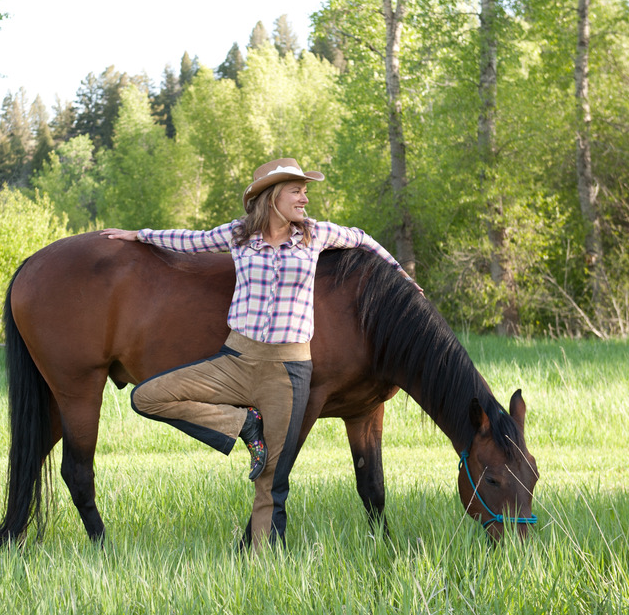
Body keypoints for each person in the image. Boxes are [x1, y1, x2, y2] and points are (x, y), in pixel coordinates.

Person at [102, 157, 420, 548]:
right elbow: (188, 240)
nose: (305, 198)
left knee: (271, 479)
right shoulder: (239, 235)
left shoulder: (315, 235)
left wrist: (404, 278)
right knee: (147, 396)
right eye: (296, 190)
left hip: (288, 369)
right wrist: (140, 235)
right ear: (272, 198)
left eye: (305, 190)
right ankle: (243, 426)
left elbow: (364, 239)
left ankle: (264, 562)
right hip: (235, 359)